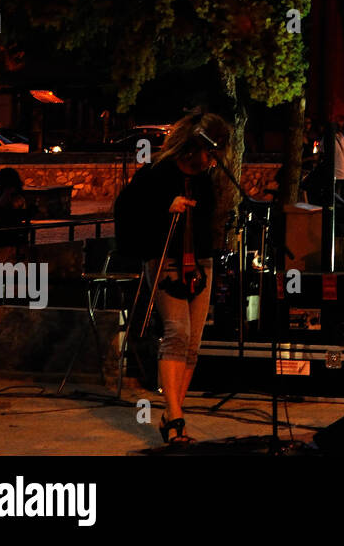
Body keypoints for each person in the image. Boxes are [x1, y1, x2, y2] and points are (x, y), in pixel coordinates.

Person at [115, 112, 231, 445]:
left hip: (199, 261)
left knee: (193, 342)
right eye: (210, 151)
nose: (213, 158)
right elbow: (127, 211)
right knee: (176, 332)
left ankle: (173, 412)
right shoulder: (156, 173)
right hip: (165, 258)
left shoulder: (207, 178)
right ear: (193, 147)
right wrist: (166, 207)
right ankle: (176, 414)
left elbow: (210, 217)